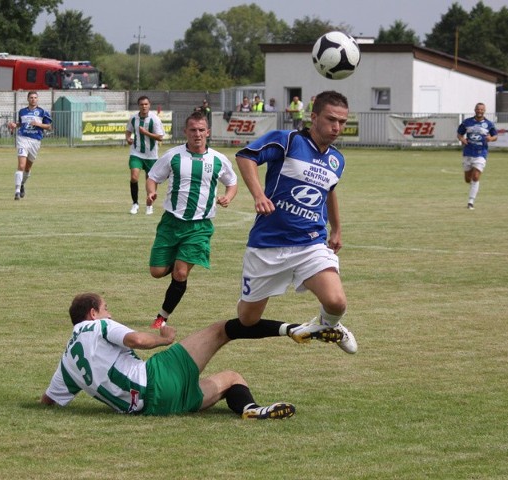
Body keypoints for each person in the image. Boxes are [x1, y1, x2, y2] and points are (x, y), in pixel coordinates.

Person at [40, 292, 307, 419]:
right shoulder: (97, 325)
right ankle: (291, 328)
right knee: (221, 330)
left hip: (151, 408)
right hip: (155, 378)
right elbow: (135, 339)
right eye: (106, 309)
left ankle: (252, 410)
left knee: (232, 378)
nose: (110, 314)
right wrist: (163, 340)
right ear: (93, 314)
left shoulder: (67, 362)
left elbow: (48, 400)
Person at [233, 90, 358, 355]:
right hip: (267, 245)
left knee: (336, 302)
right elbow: (246, 157)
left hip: (309, 244)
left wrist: (336, 229)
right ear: (313, 117)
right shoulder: (288, 141)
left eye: (342, 122)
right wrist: (259, 195)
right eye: (331, 119)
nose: (337, 127)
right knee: (247, 319)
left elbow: (329, 191)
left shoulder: (337, 159)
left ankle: (328, 327)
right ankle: (293, 327)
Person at [146, 111, 238, 328]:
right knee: (157, 272)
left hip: (200, 226)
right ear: (185, 132)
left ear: (208, 132)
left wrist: (228, 196)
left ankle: (162, 317)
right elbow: (153, 176)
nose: (197, 134)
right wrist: (150, 192)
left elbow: (231, 182)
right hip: (171, 222)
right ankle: (182, 260)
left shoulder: (218, 159)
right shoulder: (173, 156)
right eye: (193, 130)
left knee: (179, 272)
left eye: (201, 130)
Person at [8, 91, 53, 200]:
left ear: (37, 99)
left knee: (27, 168)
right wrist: (14, 125)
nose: (33, 99)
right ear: (28, 99)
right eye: (31, 97)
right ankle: (17, 191)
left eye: (35, 97)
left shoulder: (42, 112)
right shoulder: (22, 111)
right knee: (21, 166)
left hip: (35, 141)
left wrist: (38, 124)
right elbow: (21, 124)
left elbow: (49, 127)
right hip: (22, 139)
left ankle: (22, 184)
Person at [126, 95, 165, 215]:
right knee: (134, 177)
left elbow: (160, 137)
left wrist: (146, 133)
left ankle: (149, 205)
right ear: (138, 106)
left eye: (146, 104)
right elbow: (128, 130)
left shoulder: (155, 119)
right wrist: (128, 138)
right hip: (136, 152)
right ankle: (135, 204)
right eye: (141, 104)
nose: (144, 106)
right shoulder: (134, 118)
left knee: (150, 181)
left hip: (151, 155)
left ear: (149, 105)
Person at [456, 102, 498, 210]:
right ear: (475, 110)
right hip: (468, 152)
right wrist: (462, 139)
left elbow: (495, 136)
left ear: (484, 111)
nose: (480, 111)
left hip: (481, 153)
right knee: (467, 179)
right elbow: (459, 134)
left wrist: (490, 139)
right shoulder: (467, 122)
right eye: (478, 109)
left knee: (475, 177)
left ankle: (471, 202)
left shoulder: (489, 124)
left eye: (482, 109)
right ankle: (474, 186)